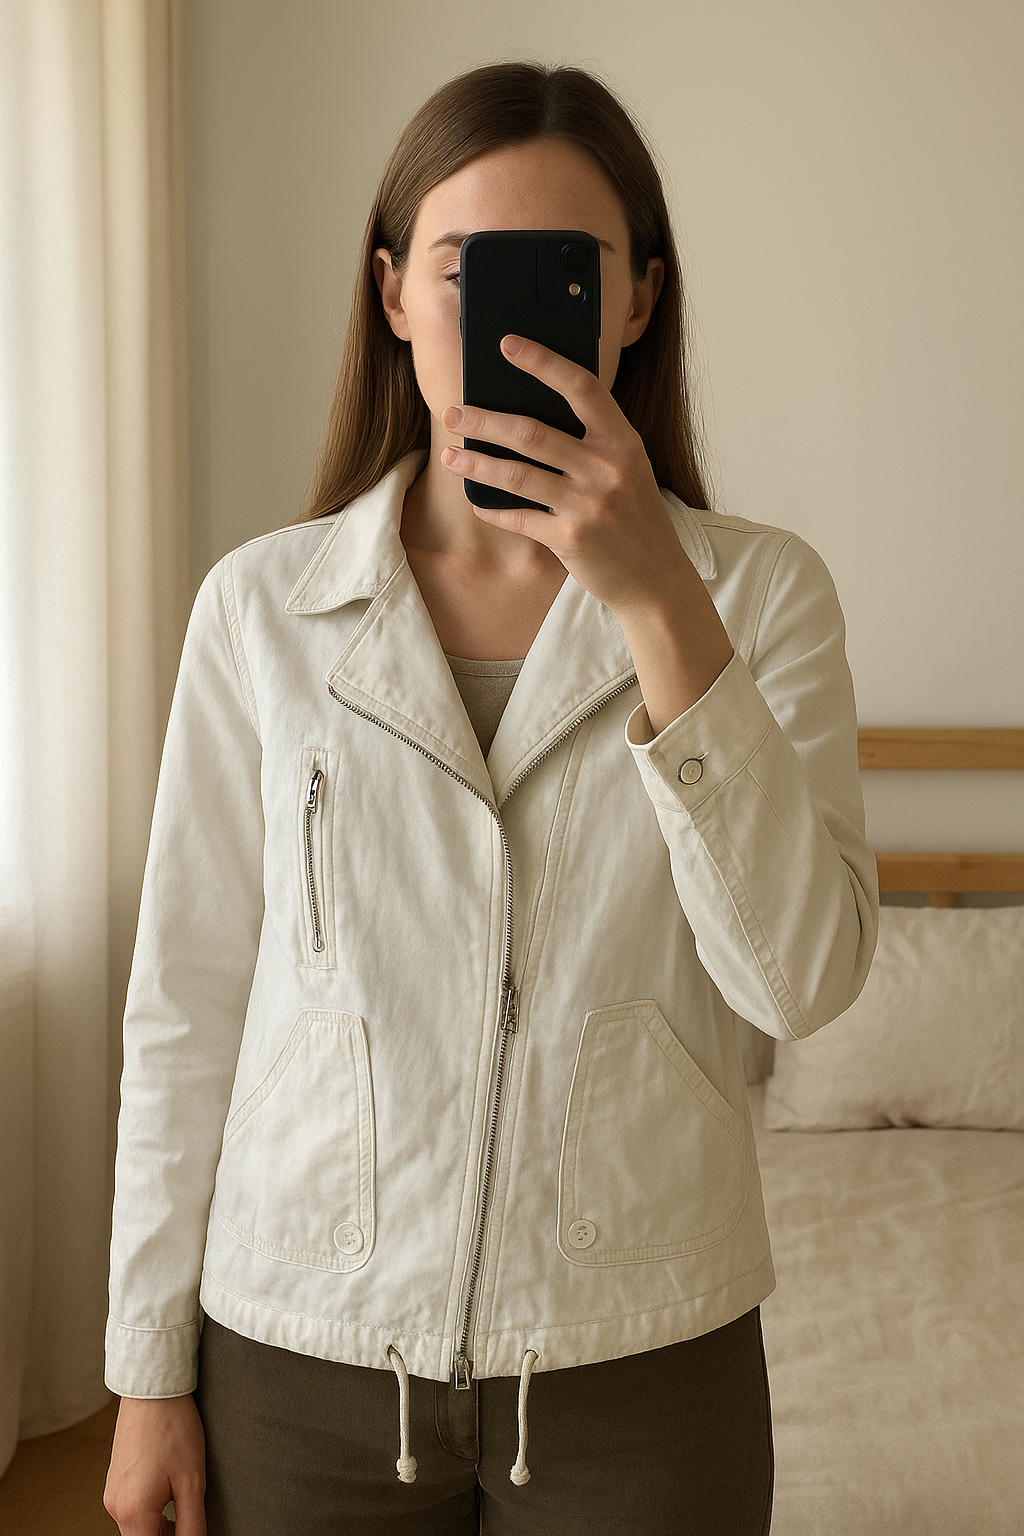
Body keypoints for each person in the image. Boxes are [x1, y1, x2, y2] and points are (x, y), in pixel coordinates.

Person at [102, 60, 878, 1536]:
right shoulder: (260, 610)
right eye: (463, 270)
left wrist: (659, 603)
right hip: (302, 1347)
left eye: (562, 275)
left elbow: (800, 982)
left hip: (643, 1352)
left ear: (636, 300)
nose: (506, 325)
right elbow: (184, 1006)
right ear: (394, 294)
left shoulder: (760, 597)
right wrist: (146, 1372)